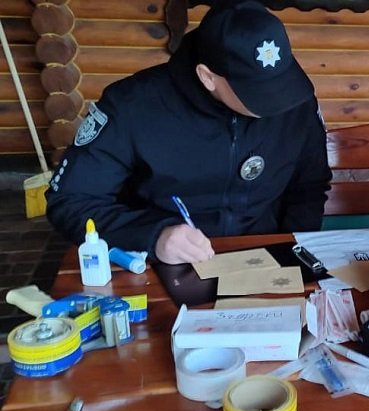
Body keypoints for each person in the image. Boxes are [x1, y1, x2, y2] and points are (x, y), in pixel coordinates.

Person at [46, 1, 332, 265]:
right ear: (208, 77)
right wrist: (153, 237)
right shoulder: (131, 106)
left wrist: (292, 250)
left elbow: (309, 187)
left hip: (265, 259)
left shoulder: (296, 102)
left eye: (279, 83)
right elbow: (70, 201)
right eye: (257, 92)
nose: (278, 103)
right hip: (163, 263)